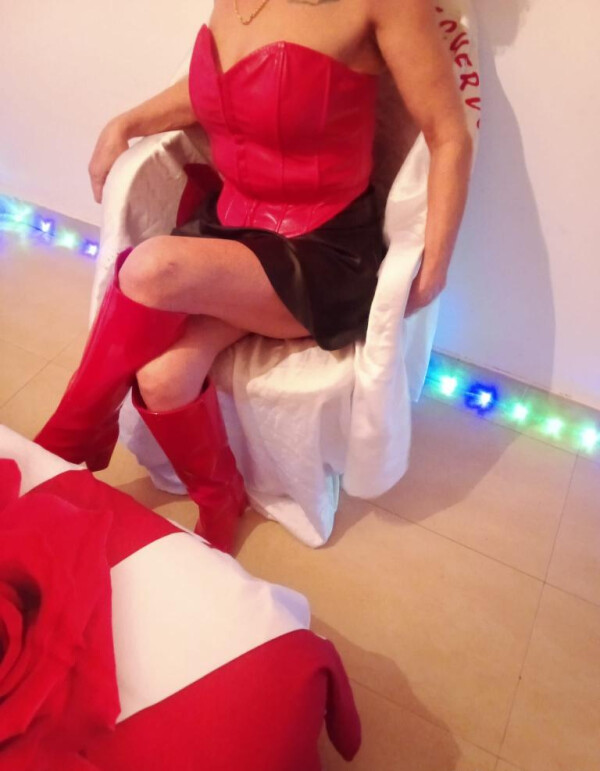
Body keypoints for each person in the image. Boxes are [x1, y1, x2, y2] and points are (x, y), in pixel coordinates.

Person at [34, 0, 473, 553]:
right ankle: (221, 498)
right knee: (163, 377)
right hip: (233, 231)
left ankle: (66, 442)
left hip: (322, 257)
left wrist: (435, 265)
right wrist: (125, 122)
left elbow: (449, 133)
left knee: (150, 267)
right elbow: (214, 94)